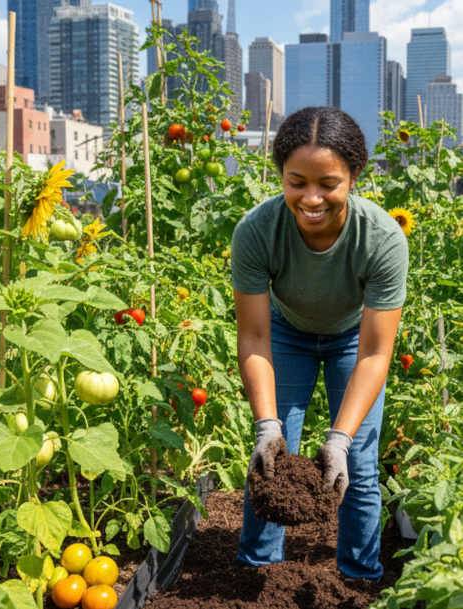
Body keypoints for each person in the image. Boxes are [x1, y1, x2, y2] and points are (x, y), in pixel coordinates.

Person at [231, 106, 409, 581]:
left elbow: (375, 351)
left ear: (354, 176)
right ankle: (258, 571)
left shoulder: (382, 239)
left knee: (361, 464)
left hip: (354, 339)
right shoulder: (257, 230)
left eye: (328, 183)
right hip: (285, 333)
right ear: (281, 177)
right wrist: (267, 424)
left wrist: (339, 437)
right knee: (270, 456)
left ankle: (359, 576)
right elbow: (253, 334)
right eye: (296, 181)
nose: (311, 198)